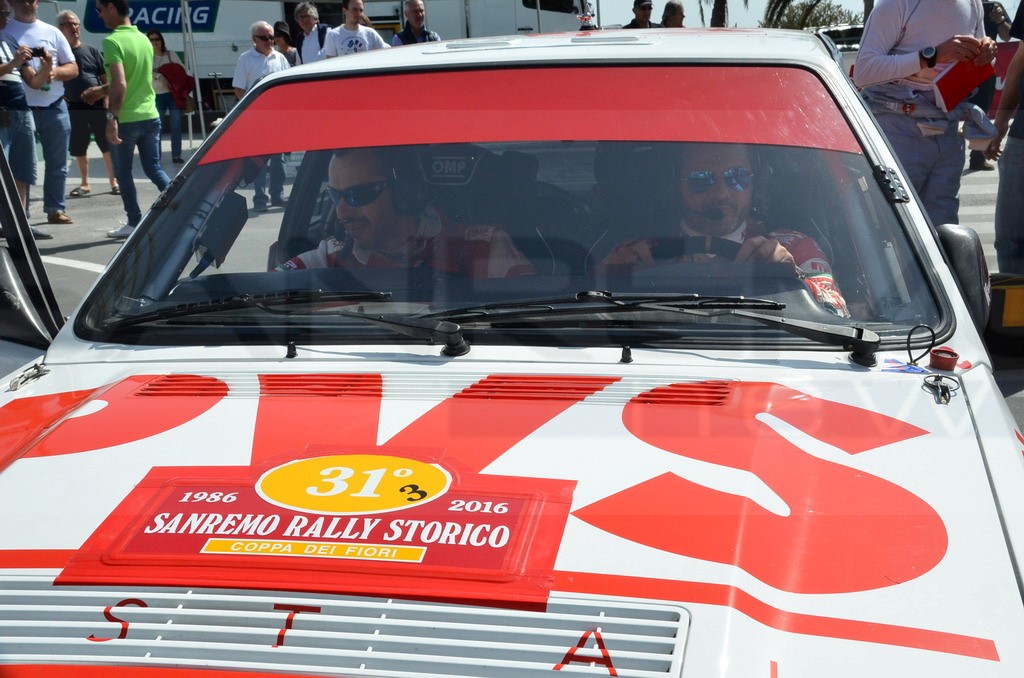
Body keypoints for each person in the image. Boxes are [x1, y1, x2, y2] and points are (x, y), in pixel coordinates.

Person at [599, 143, 849, 317]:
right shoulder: (640, 254)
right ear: (675, 186)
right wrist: (622, 276)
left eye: (736, 177)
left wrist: (793, 280)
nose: (720, 194)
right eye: (701, 180)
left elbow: (838, 315)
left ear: (755, 182)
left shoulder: (793, 247)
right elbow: (588, 310)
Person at [278, 147, 534, 279]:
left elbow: (529, 328)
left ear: (405, 192)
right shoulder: (330, 257)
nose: (342, 211)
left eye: (358, 195)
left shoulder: (483, 247)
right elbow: (266, 289)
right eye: (335, 196)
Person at [853, 0, 997, 227]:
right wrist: (931, 55)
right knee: (895, 229)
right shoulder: (897, 4)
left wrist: (987, 51)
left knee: (943, 231)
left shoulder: (973, 3)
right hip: (897, 130)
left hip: (948, 130)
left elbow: (979, 57)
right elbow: (863, 71)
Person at [83, 0, 170, 240]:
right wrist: (102, 90)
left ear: (111, 8)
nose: (99, 15)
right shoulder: (143, 39)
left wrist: (112, 117)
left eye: (100, 10)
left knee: (123, 173)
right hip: (150, 115)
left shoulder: (112, 41)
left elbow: (121, 83)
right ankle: (183, 207)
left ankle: (133, 222)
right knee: (154, 168)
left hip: (127, 119)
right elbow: (133, 79)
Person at [5, 0, 78, 226]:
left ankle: (55, 208)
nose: (28, 3)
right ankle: (22, 215)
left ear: (38, 2)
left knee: (58, 163)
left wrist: (52, 71)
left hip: (54, 105)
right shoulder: (5, 30)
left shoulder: (52, 31)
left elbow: (73, 67)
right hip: (20, 108)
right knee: (20, 166)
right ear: (12, 3)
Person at [0, 0, 49, 238]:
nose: (7, 17)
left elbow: (33, 82)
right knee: (2, 171)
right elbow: (12, 66)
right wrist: (13, 63)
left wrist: (47, 67)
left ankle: (21, 221)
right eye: (3, 12)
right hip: (2, 112)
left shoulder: (10, 40)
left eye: (7, 12)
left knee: (23, 169)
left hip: (21, 110)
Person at [58, 10, 118, 198]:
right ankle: (85, 184)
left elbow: (104, 78)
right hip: (74, 107)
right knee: (79, 146)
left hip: (98, 104)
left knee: (106, 144)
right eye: (69, 24)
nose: (74, 28)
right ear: (61, 28)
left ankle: (114, 182)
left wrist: (106, 103)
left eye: (76, 24)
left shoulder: (92, 50)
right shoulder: (59, 53)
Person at [231, 21, 289, 212]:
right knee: (259, 161)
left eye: (272, 37)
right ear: (254, 39)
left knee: (279, 160)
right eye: (265, 38)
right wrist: (251, 107)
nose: (270, 41)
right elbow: (239, 88)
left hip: (278, 118)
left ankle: (277, 194)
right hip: (257, 118)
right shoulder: (245, 59)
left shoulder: (280, 57)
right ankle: (260, 199)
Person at [986, 2, 1024, 272]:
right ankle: (1015, 299)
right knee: (1011, 240)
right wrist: (1000, 125)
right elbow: (1020, 60)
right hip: (1022, 137)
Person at [967, 1, 1012, 171]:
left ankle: (977, 158)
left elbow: (1007, 36)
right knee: (949, 111)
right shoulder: (962, 5)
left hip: (985, 69)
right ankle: (945, 156)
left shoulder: (994, 7)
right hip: (957, 66)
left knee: (981, 114)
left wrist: (1000, 20)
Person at [147, 29, 183, 163]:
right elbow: (145, 72)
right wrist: (158, 75)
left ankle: (176, 155)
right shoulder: (147, 56)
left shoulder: (170, 54)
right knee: (157, 127)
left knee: (176, 125)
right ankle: (157, 157)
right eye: (151, 40)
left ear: (162, 40)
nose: (155, 42)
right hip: (157, 95)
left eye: (157, 39)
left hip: (173, 94)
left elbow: (182, 70)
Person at [323, 0, 390, 57]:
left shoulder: (370, 33)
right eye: (354, 10)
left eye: (361, 10)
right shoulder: (333, 35)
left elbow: (387, 51)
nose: (358, 14)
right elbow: (330, 62)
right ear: (345, 11)